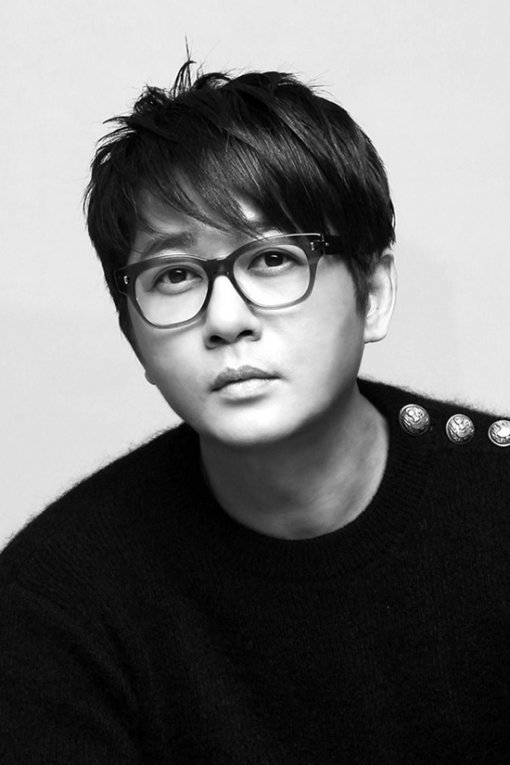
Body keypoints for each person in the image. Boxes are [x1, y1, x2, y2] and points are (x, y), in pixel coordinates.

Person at [1, 60, 509, 764]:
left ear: (374, 293)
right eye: (175, 275)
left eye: (272, 259)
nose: (226, 319)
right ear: (135, 337)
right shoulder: (55, 604)